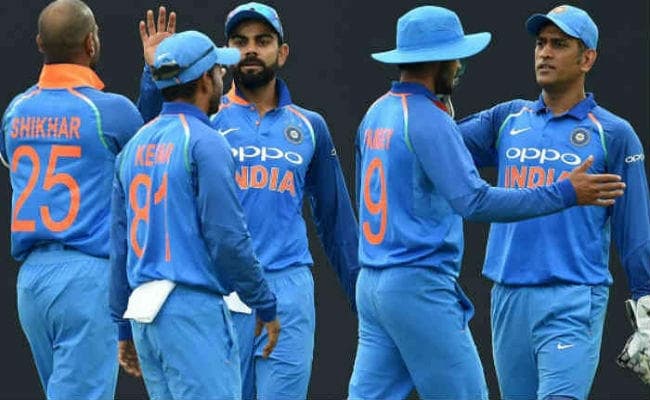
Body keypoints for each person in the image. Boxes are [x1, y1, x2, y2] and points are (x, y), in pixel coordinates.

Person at [349, 6, 627, 400]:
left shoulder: (377, 112)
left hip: (372, 282)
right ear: (440, 61)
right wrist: (566, 191)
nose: (460, 67)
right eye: (456, 57)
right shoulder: (429, 118)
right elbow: (475, 201)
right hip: (419, 284)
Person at [136, 3, 359, 399]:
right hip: (222, 288)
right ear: (225, 54)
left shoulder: (310, 125)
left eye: (263, 41)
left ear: (282, 53)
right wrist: (158, 74)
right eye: (240, 42)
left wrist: (363, 300)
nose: (251, 49)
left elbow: (335, 220)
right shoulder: (203, 116)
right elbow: (150, 144)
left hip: (288, 286)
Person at [458, 5, 650, 399]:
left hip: (573, 295)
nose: (545, 53)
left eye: (559, 44)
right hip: (508, 294)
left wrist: (645, 296)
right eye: (541, 43)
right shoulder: (508, 118)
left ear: (587, 59)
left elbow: (634, 227)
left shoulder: (612, 133)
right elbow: (440, 145)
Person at [109, 30, 281, 399]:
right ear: (205, 79)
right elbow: (227, 238)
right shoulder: (206, 141)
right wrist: (263, 301)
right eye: (219, 70)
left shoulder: (134, 146)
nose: (223, 76)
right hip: (191, 312)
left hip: (144, 315)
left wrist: (122, 325)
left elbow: (120, 246)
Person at [0, 0, 143, 398]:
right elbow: (149, 154)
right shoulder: (110, 110)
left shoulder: (15, 110)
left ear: (39, 43)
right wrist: (151, 77)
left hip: (32, 282)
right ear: (91, 44)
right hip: (87, 277)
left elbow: (13, 160)